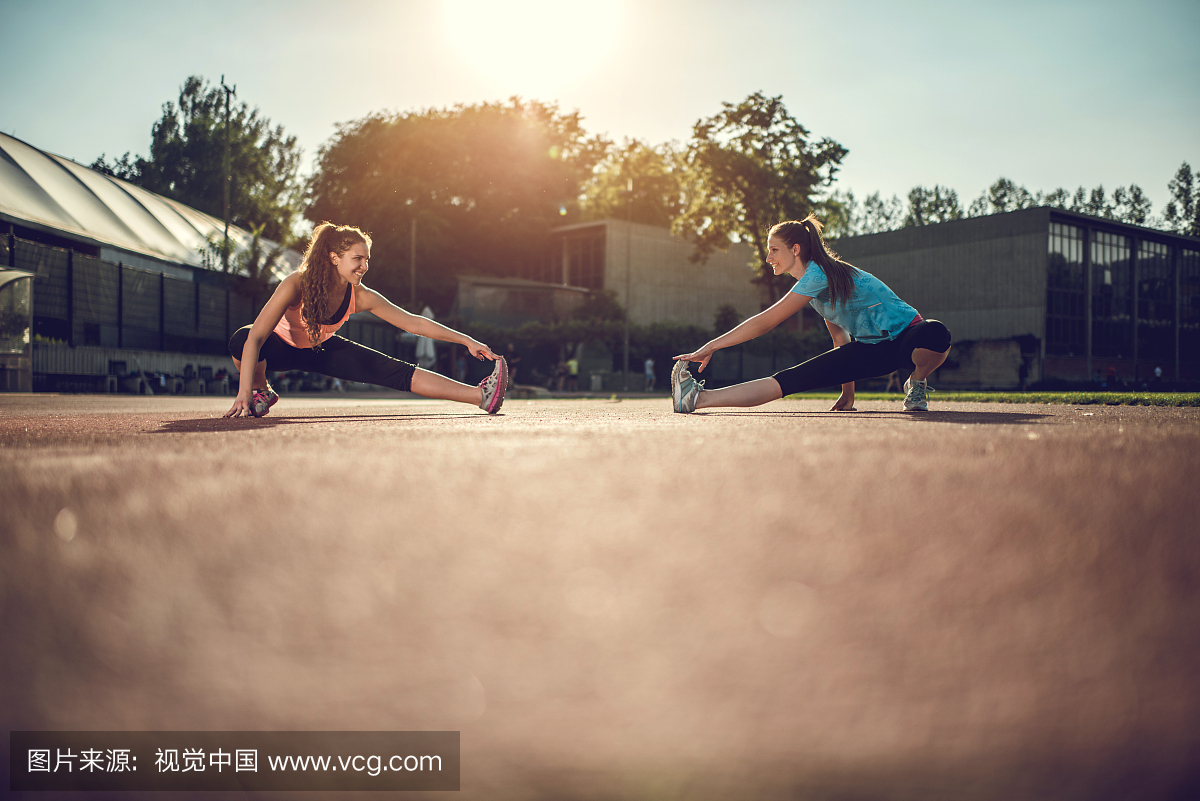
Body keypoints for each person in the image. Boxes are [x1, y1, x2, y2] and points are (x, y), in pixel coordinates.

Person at [671, 215, 951, 413]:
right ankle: (697, 399)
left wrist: (711, 346)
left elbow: (766, 322)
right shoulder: (813, 288)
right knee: (788, 379)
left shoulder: (819, 273)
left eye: (774, 250)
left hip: (909, 337)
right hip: (873, 351)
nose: (768, 258)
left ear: (795, 249)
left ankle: (917, 381)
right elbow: (841, 341)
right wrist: (848, 393)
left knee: (936, 332)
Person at [224, 222, 507, 418]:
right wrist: (244, 392)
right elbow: (257, 337)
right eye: (357, 259)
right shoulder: (296, 283)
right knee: (241, 338)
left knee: (395, 370)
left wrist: (466, 340)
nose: (364, 266)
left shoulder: (361, 295)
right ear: (335, 258)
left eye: (367, 260)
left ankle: (481, 397)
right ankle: (263, 392)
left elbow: (415, 323)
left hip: (321, 350)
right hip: (279, 348)